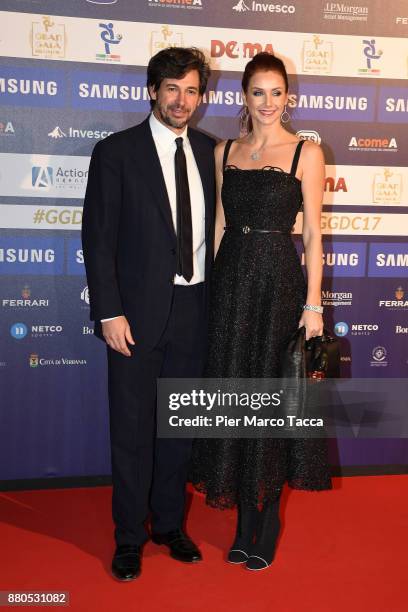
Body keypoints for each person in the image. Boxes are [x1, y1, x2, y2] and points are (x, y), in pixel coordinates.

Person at [190, 52, 332, 571]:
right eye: (258, 93)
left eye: (277, 93)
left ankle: (266, 519)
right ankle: (240, 521)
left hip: (278, 286)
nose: (268, 103)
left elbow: (314, 234)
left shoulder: (306, 152)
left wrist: (312, 305)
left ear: (287, 97)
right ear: (244, 97)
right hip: (231, 285)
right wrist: (208, 290)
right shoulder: (224, 151)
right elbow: (220, 228)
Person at [82, 47, 215, 581]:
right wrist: (109, 311)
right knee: (133, 431)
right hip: (133, 316)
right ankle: (129, 537)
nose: (182, 101)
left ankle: (168, 525)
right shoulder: (116, 152)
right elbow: (98, 239)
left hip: (195, 307)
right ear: (152, 91)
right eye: (172, 89)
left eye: (191, 90)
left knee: (178, 427)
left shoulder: (211, 152)